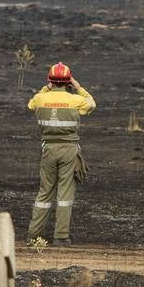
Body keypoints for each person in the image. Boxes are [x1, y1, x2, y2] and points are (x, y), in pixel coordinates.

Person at [26, 62, 95, 247]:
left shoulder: (40, 99)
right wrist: (79, 87)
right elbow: (91, 104)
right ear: (68, 82)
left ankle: (34, 236)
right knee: (65, 194)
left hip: (48, 149)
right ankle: (61, 237)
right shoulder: (75, 101)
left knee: (44, 192)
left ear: (50, 81)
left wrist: (45, 88)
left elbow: (31, 103)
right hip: (69, 150)